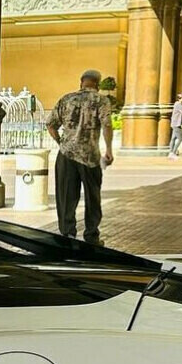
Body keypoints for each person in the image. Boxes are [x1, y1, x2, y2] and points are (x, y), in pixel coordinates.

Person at [46, 68, 114, 244]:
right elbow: (107, 125)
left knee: (66, 197)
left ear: (81, 82)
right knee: (92, 197)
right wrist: (108, 149)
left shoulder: (67, 99)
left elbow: (50, 124)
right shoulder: (101, 100)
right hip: (90, 156)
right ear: (97, 84)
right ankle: (91, 235)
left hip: (66, 155)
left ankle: (67, 234)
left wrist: (61, 142)